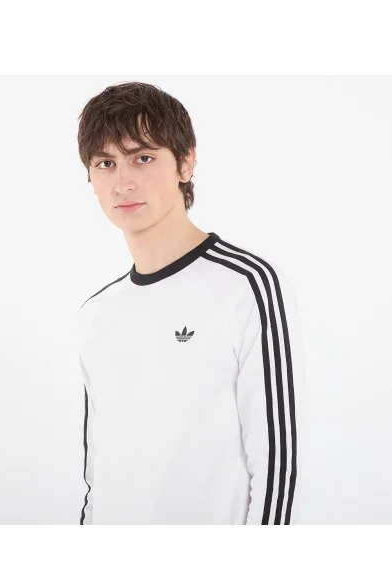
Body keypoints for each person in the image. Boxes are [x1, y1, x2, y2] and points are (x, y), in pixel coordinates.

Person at [75, 81, 307, 525]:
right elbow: (96, 475)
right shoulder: (97, 313)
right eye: (106, 163)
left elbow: (278, 466)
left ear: (186, 162)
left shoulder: (248, 286)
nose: (123, 182)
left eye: (143, 158)